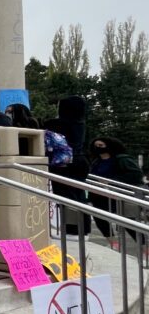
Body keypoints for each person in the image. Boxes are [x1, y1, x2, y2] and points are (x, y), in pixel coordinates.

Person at [44, 95, 90, 235]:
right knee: (79, 196)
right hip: (80, 161)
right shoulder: (80, 123)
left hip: (63, 163)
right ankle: (83, 228)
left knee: (66, 196)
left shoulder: (57, 124)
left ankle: (72, 230)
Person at [88, 136, 144, 240]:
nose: (98, 148)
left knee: (128, 222)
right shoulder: (96, 162)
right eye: (95, 146)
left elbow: (136, 175)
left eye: (101, 145)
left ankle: (144, 246)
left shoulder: (122, 159)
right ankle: (111, 241)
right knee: (99, 216)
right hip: (100, 196)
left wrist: (111, 181)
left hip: (121, 195)